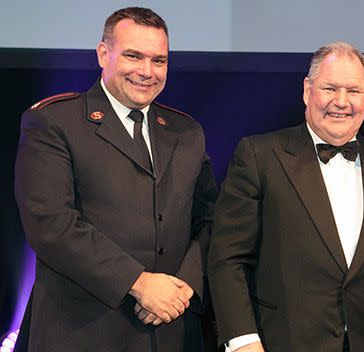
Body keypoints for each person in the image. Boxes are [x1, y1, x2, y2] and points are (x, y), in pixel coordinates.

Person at [13, 7, 218, 352]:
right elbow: (51, 224)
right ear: (103, 55)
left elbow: (211, 217)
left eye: (159, 60)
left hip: (171, 330)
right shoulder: (54, 122)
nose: (147, 72)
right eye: (134, 56)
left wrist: (185, 285)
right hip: (84, 332)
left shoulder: (187, 131)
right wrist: (138, 284)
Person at [207, 41, 364, 352]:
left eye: (353, 91)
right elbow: (227, 258)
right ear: (307, 90)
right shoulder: (260, 156)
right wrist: (243, 339)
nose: (341, 101)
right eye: (330, 88)